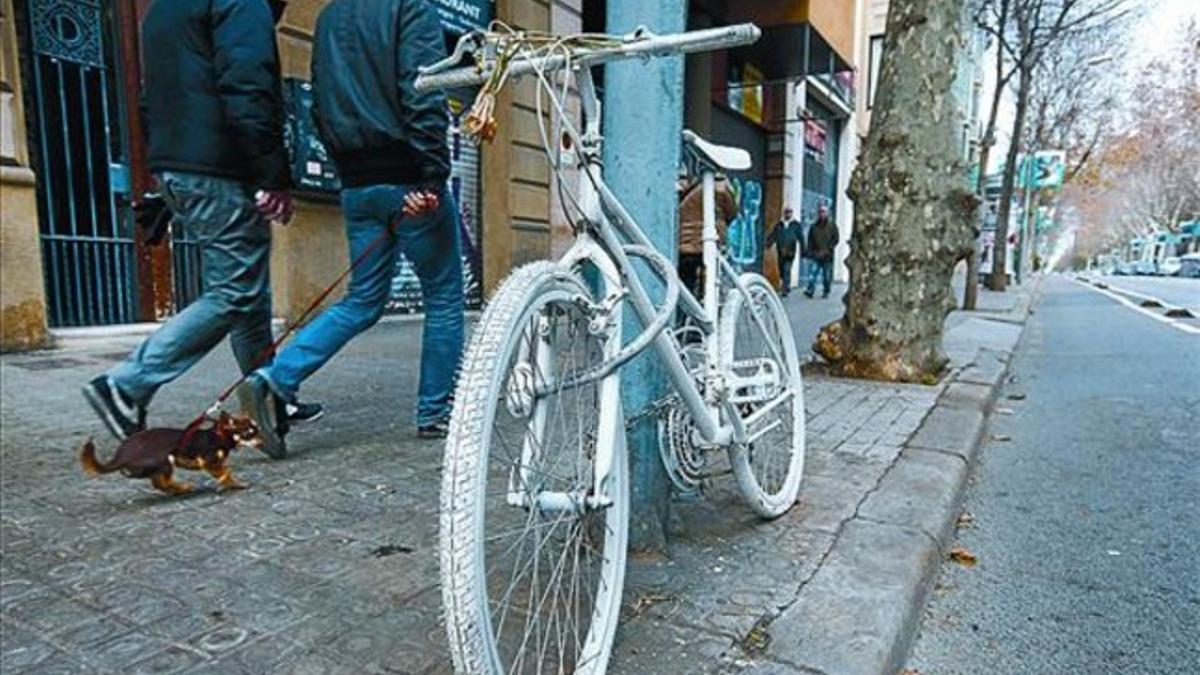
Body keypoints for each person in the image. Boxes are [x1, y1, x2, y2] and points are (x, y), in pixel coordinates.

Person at [240, 0, 464, 455]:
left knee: (362, 300)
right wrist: (433, 176)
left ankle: (273, 378)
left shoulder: (329, 17)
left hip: (357, 184)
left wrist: (349, 170)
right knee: (444, 295)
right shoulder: (409, 8)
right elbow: (422, 89)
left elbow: (319, 99)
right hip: (408, 177)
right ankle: (435, 412)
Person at [83, 0, 303, 441]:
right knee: (235, 292)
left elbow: (151, 100)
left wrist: (167, 174)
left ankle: (269, 405)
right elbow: (249, 87)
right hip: (219, 168)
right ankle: (125, 386)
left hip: (181, 166)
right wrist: (271, 175)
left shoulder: (164, 10)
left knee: (249, 296)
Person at [677, 174, 738, 298]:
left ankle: (684, 313)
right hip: (707, 241)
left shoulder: (692, 189)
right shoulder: (721, 188)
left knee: (686, 281)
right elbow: (732, 212)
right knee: (710, 281)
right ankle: (706, 307)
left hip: (684, 243)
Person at [766, 207, 803, 296]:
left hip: (790, 252)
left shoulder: (796, 225)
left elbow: (801, 237)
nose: (788, 214)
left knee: (787, 270)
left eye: (790, 212)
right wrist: (768, 244)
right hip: (781, 251)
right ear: (784, 213)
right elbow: (773, 235)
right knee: (781, 270)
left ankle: (785, 289)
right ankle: (786, 285)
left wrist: (804, 250)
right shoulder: (779, 224)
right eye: (786, 212)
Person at [804, 205, 839, 299]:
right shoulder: (813, 227)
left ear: (827, 213)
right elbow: (810, 241)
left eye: (824, 212)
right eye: (820, 212)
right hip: (816, 254)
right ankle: (810, 290)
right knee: (812, 274)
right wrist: (809, 252)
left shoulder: (832, 226)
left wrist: (829, 249)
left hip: (827, 256)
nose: (822, 214)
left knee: (826, 276)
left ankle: (826, 291)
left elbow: (836, 239)